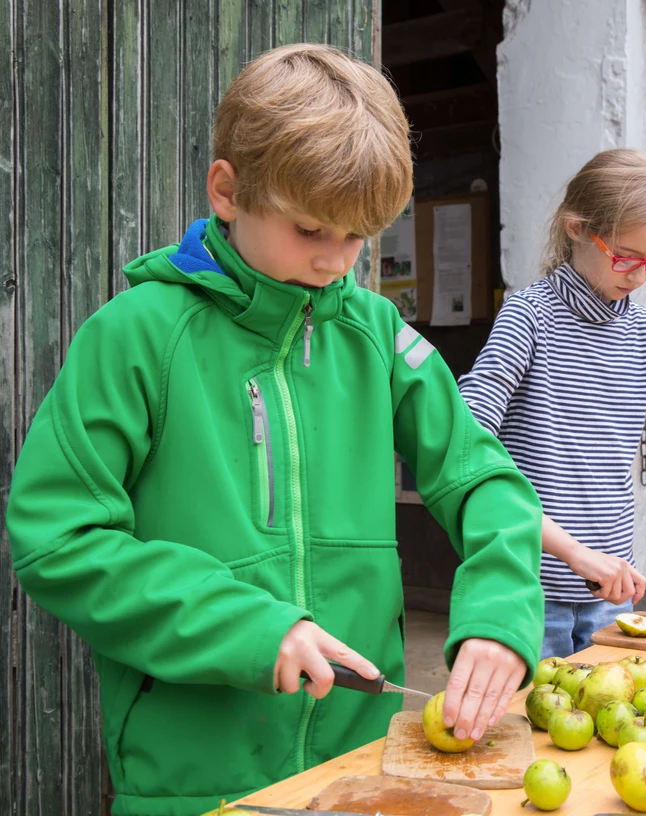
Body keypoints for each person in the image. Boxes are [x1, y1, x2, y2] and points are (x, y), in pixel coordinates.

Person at [5, 44, 544, 816]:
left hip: (360, 770)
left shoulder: (375, 331)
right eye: (311, 230)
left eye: (361, 237)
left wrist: (499, 620)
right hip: (191, 782)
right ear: (227, 190)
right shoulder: (135, 336)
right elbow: (56, 539)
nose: (336, 263)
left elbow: (484, 480)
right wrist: (250, 628)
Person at [458, 149, 646, 659]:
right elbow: (465, 449)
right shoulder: (528, 317)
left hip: (612, 603)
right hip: (522, 598)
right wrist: (575, 554)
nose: (640, 275)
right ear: (576, 227)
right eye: (627, 255)